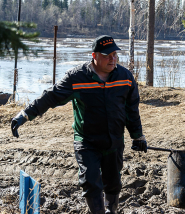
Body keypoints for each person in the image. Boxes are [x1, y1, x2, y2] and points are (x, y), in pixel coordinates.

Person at [11, 35, 148, 214]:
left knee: (113, 183)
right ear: (94, 56)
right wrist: (25, 114)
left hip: (114, 140)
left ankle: (111, 211)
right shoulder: (77, 77)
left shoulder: (125, 77)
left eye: (114, 54)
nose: (112, 59)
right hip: (86, 141)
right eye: (107, 55)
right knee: (90, 180)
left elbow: (132, 110)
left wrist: (138, 136)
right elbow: (51, 96)